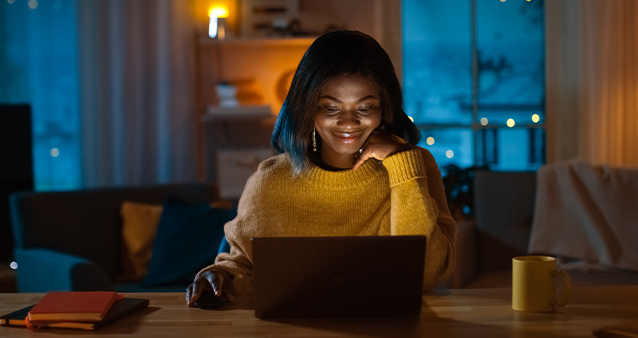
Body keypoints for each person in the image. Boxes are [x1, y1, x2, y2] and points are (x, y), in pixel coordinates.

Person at [186, 30, 456, 307]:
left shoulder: (414, 166)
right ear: (307, 109)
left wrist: (401, 163)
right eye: (330, 108)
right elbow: (243, 269)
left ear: (384, 108)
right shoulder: (270, 181)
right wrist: (219, 276)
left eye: (364, 108)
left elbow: (426, 275)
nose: (348, 123)